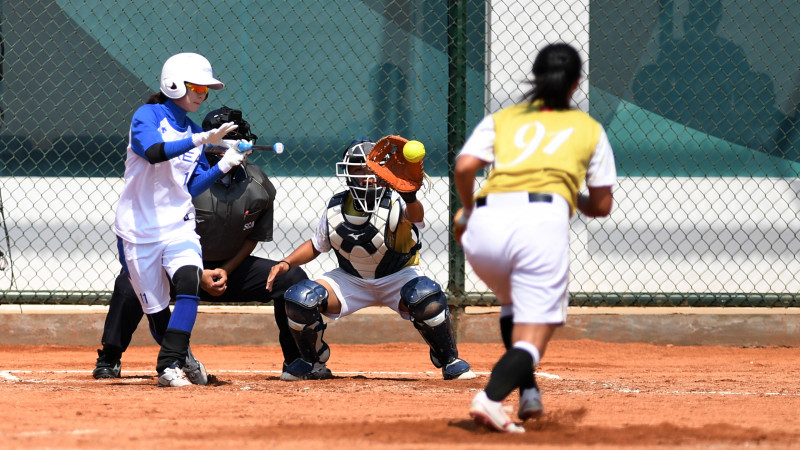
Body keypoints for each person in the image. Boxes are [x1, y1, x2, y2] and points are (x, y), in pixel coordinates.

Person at [454, 43, 617, 433]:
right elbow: (602, 204)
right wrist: (567, 193)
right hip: (540, 223)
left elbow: (464, 166)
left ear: (537, 76)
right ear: (576, 83)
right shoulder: (588, 129)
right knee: (533, 339)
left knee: (513, 304)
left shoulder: (504, 118)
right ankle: (490, 400)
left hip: (485, 224)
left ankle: (528, 393)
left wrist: (469, 209)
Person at [95, 106, 309, 381]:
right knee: (128, 282)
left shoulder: (259, 183)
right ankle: (110, 357)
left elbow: (253, 237)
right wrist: (199, 274)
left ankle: (297, 362)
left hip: (228, 271)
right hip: (179, 266)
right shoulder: (181, 177)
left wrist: (227, 271)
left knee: (290, 278)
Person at [266, 138, 475, 381]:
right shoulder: (336, 206)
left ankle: (449, 359)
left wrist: (410, 197)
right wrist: (286, 263)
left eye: (371, 169)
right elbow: (316, 245)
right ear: (347, 173)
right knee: (300, 298)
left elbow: (415, 217)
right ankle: (313, 362)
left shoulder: (397, 199)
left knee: (426, 295)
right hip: (350, 279)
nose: (365, 176)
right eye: (357, 169)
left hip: (398, 276)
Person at [113, 52, 247, 387]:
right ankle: (183, 357)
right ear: (173, 84)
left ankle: (168, 365)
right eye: (196, 88)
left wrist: (225, 164)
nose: (202, 96)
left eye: (206, 91)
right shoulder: (149, 115)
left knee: (189, 281)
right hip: (137, 229)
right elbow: (153, 152)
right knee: (157, 313)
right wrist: (201, 139)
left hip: (177, 225)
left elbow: (190, 187)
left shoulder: (194, 132)